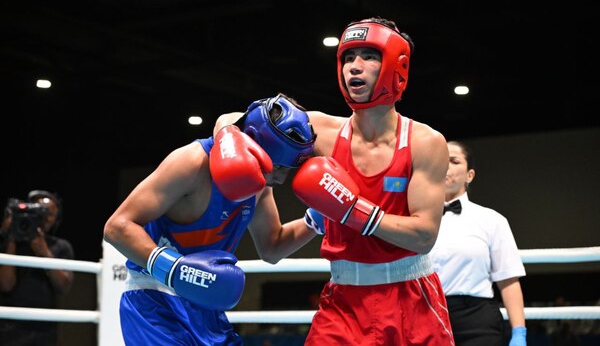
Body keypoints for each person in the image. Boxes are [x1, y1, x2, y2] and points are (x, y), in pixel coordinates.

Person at [240, 17, 451, 344]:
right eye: (348, 57)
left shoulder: (424, 142)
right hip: (343, 302)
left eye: (369, 56)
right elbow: (232, 124)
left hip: (411, 298)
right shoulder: (321, 133)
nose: (355, 66)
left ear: (396, 66)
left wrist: (352, 210)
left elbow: (424, 236)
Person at [103, 94, 318, 345]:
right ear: (255, 144)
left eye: (287, 170)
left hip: (207, 306)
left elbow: (272, 246)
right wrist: (175, 269)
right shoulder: (192, 163)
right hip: (155, 304)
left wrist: (315, 220)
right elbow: (117, 227)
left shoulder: (259, 186)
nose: (281, 178)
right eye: (278, 166)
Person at [429, 140, 527, 346]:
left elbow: (508, 280)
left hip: (476, 318)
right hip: (427, 314)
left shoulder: (492, 220)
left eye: (454, 161)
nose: (446, 166)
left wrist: (519, 331)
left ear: (469, 175)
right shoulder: (415, 219)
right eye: (441, 160)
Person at [0, 190, 74, 346]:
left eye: (49, 214)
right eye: (39, 211)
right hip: (8, 328)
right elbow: (6, 285)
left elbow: (63, 286)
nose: (43, 217)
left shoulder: (61, 247)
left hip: (44, 329)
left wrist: (44, 251)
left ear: (56, 219)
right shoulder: (8, 244)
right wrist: (12, 238)